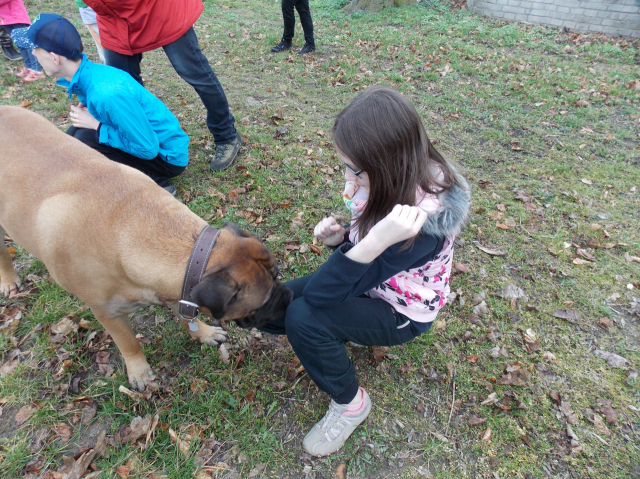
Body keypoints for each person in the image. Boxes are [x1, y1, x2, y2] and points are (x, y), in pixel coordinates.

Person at [258, 86, 471, 457]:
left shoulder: (420, 228)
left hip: (400, 311)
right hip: (372, 282)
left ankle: (351, 404)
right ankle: (333, 334)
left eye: (354, 169)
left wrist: (374, 242)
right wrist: (342, 240)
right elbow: (360, 254)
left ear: (386, 165)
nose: (347, 176)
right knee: (272, 307)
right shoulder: (394, 179)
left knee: (304, 316)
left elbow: (325, 293)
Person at [12, 14, 189, 196]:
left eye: (35, 49)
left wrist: (95, 125)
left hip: (167, 158)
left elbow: (148, 148)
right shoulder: (87, 75)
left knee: (85, 138)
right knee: (74, 134)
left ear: (54, 57)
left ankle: (158, 183)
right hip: (154, 143)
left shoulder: (105, 93)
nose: (33, 54)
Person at [82, 0, 242, 171]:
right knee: (121, 88)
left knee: (195, 72)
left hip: (159, 9)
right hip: (114, 20)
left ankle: (226, 135)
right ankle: (143, 144)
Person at [1, 0, 44, 82]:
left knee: (28, 44)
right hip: (4, 18)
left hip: (16, 15)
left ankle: (37, 71)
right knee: (19, 44)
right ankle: (28, 67)